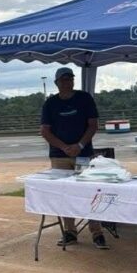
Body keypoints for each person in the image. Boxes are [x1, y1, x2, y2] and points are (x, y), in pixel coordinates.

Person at [40, 67, 108, 249]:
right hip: (59, 157)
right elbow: (45, 131)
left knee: (90, 193)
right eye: (63, 80)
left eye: (69, 79)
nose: (67, 82)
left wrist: (79, 145)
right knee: (64, 194)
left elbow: (93, 125)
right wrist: (63, 147)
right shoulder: (50, 104)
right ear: (56, 83)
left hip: (83, 155)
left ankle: (97, 232)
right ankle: (69, 232)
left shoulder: (84, 98)